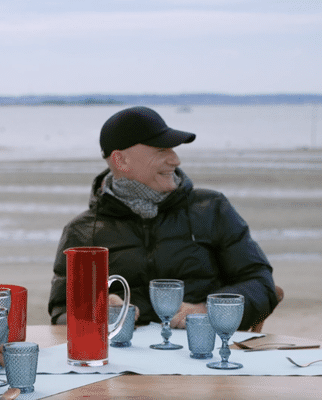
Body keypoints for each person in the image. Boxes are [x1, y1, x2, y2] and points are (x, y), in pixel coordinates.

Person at [48, 106, 279, 331]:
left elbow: (260, 283)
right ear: (121, 161)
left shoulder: (211, 208)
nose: (175, 160)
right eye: (161, 150)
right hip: (123, 361)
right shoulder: (82, 230)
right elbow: (61, 311)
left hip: (204, 352)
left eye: (173, 150)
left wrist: (207, 311)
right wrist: (96, 311)